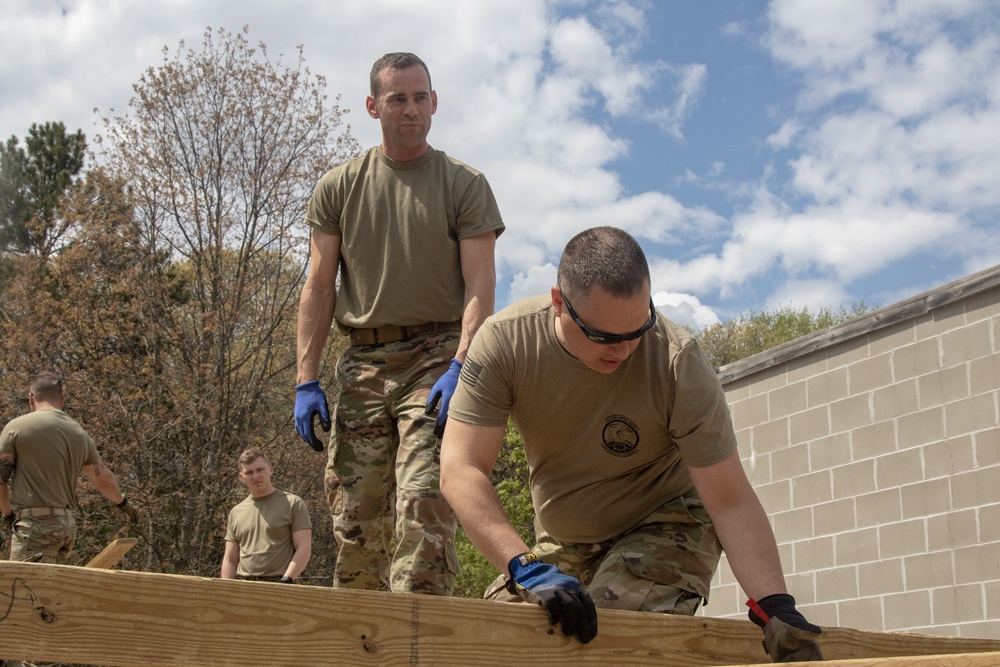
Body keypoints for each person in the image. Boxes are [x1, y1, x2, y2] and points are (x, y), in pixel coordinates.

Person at [440, 227, 823, 662]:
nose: (624, 350)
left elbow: (730, 499)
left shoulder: (677, 360)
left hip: (669, 523)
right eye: (605, 336)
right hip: (566, 539)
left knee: (610, 638)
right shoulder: (506, 343)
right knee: (485, 641)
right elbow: (460, 470)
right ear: (559, 303)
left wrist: (772, 603)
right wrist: (523, 565)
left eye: (638, 329)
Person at [293, 52, 504, 595]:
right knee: (356, 519)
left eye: (420, 97)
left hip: (436, 360)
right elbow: (319, 287)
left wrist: (463, 364)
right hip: (362, 365)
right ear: (373, 106)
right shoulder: (339, 187)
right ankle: (358, 642)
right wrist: (305, 379)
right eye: (397, 99)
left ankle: (425, 641)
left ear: (434, 103)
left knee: (425, 504)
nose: (410, 110)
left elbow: (481, 285)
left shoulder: (464, 184)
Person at [0, 371, 138, 565]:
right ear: (62, 399)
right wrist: (123, 503)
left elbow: (1, 479)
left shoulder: (17, 428)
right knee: (56, 591)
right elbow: (103, 479)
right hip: (66, 527)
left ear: (31, 398)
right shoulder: (79, 434)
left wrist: (7, 514)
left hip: (34, 528)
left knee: (23, 592)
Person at [221, 448, 312, 583]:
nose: (255, 476)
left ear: (270, 469)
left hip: (280, 584)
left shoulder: (293, 503)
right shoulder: (236, 512)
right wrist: (226, 590)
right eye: (249, 472)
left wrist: (287, 580)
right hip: (243, 586)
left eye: (260, 469)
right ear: (242, 477)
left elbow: (304, 548)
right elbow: (230, 559)